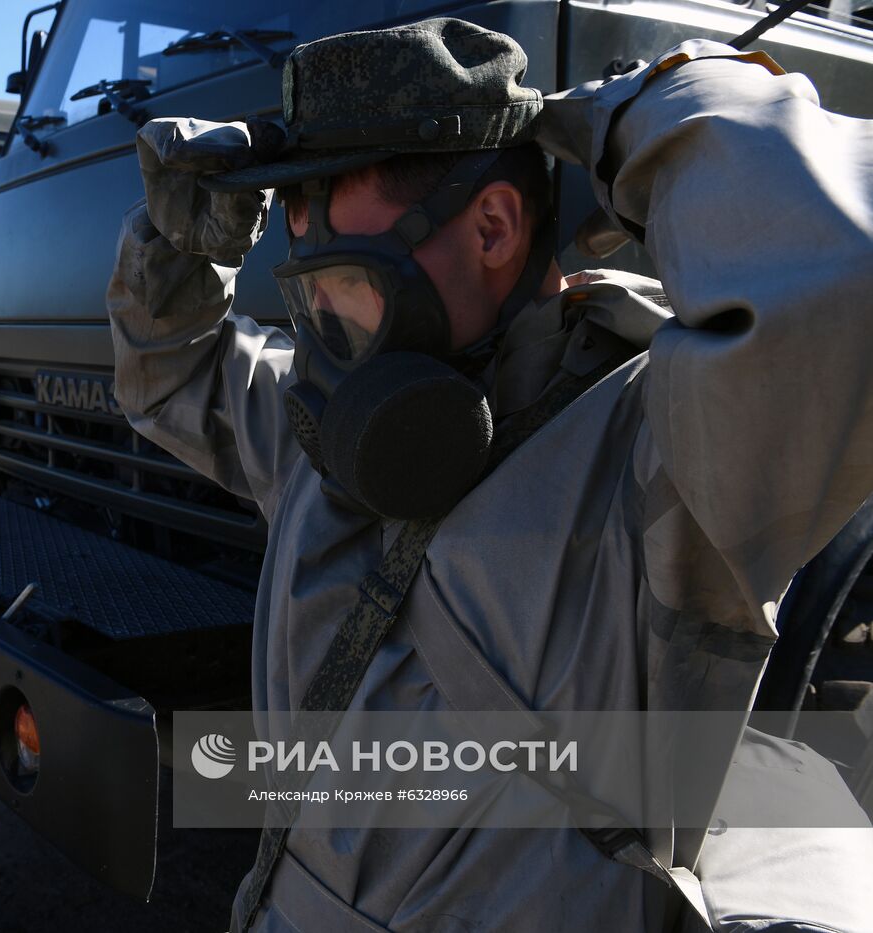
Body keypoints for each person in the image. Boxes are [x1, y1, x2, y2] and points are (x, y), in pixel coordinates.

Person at [107, 19, 873, 932]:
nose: (322, 338)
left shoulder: (667, 453)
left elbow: (840, 284)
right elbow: (171, 372)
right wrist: (177, 239)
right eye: (306, 298)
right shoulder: (336, 435)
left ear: (495, 226)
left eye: (346, 286)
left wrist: (646, 104)